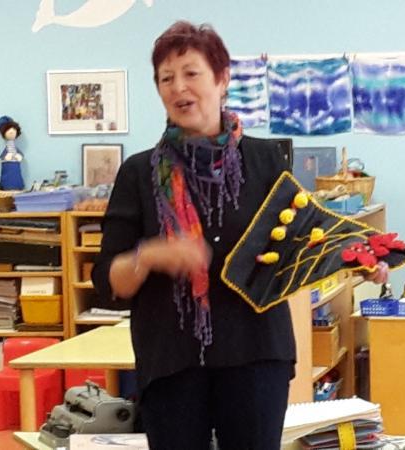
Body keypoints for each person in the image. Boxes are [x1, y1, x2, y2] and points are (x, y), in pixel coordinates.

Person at [92, 21, 296, 450]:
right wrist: (150, 255)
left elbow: (297, 245)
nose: (178, 87)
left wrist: (356, 259)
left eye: (191, 73)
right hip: (171, 359)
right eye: (166, 78)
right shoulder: (138, 173)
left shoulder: (267, 160)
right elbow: (107, 280)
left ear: (222, 79)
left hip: (257, 352)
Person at [0, 115, 25, 190]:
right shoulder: (7, 148)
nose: (12, 132)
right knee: (8, 176)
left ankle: (18, 185)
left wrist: (19, 156)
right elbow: (2, 156)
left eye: (13, 130)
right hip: (8, 166)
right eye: (8, 130)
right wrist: (6, 157)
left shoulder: (15, 147)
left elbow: (20, 154)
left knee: (16, 175)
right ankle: (6, 186)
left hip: (15, 165)